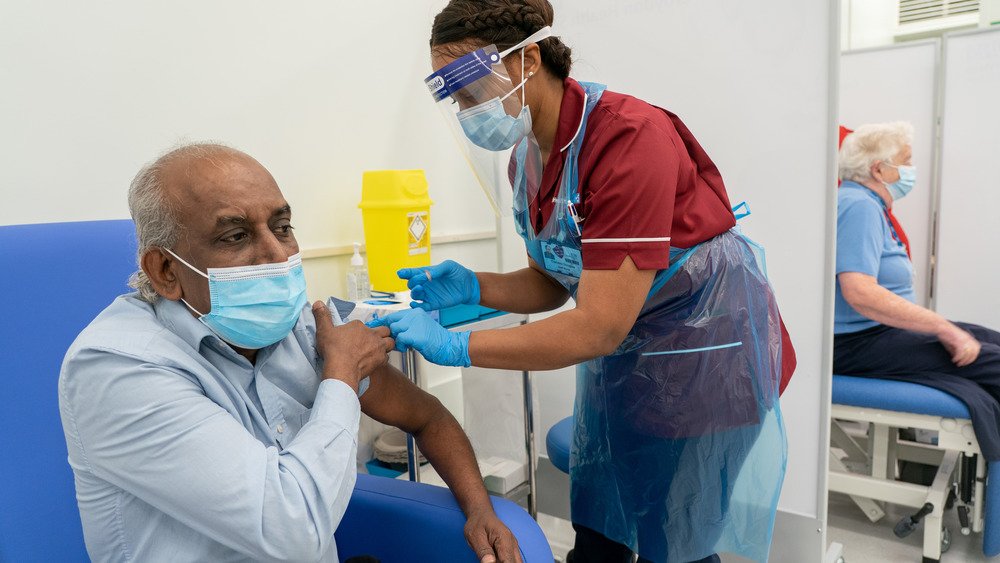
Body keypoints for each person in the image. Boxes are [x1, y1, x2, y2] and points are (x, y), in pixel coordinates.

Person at [371, 2, 797, 562]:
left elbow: (596, 326)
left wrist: (459, 345)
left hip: (704, 357)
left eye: (471, 88)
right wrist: (476, 285)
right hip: (628, 359)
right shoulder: (527, 157)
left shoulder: (629, 138)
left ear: (526, 60)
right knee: (601, 530)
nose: (467, 110)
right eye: (455, 97)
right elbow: (553, 280)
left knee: (675, 543)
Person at [57, 144, 520, 563]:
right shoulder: (117, 368)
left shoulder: (296, 327)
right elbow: (291, 528)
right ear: (165, 270)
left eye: (282, 227)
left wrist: (479, 509)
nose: (277, 255)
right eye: (236, 236)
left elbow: (427, 416)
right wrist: (340, 376)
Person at [835, 122, 1000, 463]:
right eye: (904, 161)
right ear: (878, 169)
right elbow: (859, 292)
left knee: (990, 343)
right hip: (856, 343)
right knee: (992, 361)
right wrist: (941, 327)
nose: (910, 171)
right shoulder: (858, 206)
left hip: (874, 336)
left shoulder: (867, 205)